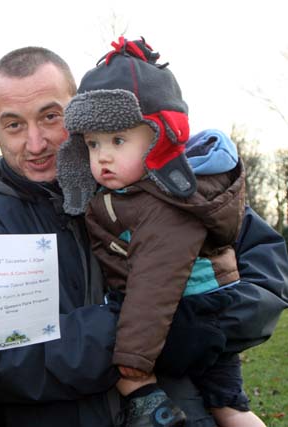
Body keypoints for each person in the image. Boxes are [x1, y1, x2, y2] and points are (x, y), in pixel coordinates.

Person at [0, 45, 288, 426]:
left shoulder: (155, 180)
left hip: (185, 410)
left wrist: (207, 323)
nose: (35, 143)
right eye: (14, 124)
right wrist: (130, 330)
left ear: (80, 110)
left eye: (50, 117)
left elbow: (266, 273)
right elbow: (3, 357)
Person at [57, 36, 265, 427]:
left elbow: (154, 284)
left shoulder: (164, 204)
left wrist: (134, 366)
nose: (102, 155)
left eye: (118, 140)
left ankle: (151, 406)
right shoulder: (133, 191)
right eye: (92, 143)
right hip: (204, 309)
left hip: (190, 313)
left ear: (159, 138)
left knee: (127, 374)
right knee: (229, 406)